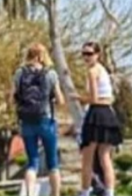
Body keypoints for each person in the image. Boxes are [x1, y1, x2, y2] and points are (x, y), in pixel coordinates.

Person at [13, 43, 66, 196]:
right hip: (46, 120)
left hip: (27, 121)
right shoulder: (51, 74)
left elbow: (12, 96)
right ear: (43, 56)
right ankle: (55, 194)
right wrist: (53, 100)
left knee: (32, 162)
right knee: (52, 162)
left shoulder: (19, 73)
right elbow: (61, 100)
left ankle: (30, 194)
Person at [74, 42, 121, 196]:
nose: (86, 57)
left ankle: (85, 191)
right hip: (108, 113)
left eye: (89, 54)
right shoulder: (103, 70)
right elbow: (109, 97)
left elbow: (94, 98)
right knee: (104, 156)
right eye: (84, 54)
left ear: (97, 54)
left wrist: (79, 98)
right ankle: (109, 192)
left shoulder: (93, 72)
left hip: (96, 114)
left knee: (88, 156)